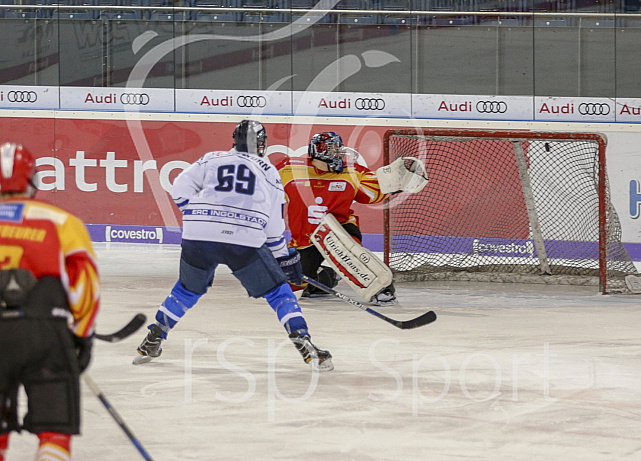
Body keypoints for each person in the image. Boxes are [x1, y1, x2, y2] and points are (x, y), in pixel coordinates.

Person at [133, 120, 333, 371]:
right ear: (262, 145)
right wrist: (284, 259)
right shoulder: (269, 171)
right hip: (244, 236)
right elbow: (273, 226)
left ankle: (155, 336)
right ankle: (303, 340)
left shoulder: (211, 159)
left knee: (187, 289)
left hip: (200, 232)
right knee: (278, 291)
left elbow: (179, 188)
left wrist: (199, 215)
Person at [0, 143, 100, 461]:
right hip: (44, 333)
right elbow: (86, 281)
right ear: (33, 180)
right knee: (55, 432)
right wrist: (82, 333)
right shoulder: (61, 221)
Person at [277, 131, 398, 304]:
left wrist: (394, 182)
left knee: (351, 255)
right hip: (305, 239)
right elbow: (263, 189)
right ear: (320, 152)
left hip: (340, 230)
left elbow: (373, 192)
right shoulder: (288, 169)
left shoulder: (352, 171)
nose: (339, 155)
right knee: (290, 286)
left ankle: (383, 290)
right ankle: (325, 277)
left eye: (339, 150)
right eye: (333, 150)